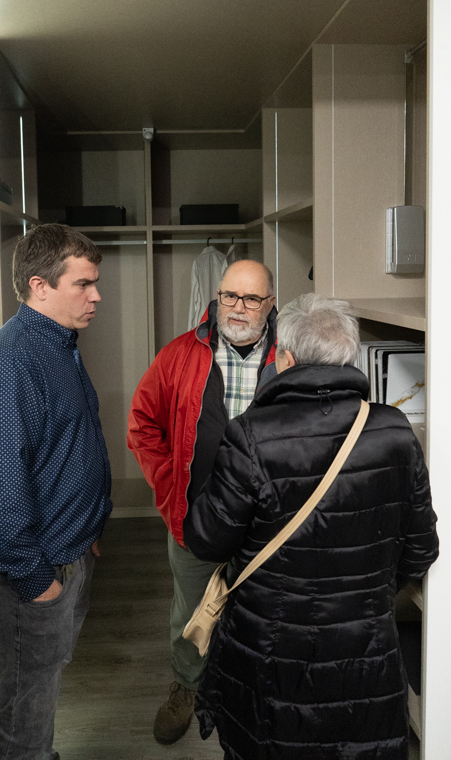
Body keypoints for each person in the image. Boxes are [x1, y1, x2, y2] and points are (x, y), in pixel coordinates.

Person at [184, 293, 439, 760]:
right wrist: (363, 594)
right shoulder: (395, 430)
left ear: (284, 359)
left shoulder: (250, 435)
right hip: (366, 657)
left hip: (269, 655)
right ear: (350, 356)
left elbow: (205, 539)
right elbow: (422, 548)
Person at [0, 224, 112, 760]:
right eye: (83, 284)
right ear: (40, 286)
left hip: (67, 553)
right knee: (25, 714)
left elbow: (62, 450)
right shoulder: (8, 363)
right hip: (33, 573)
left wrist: (86, 528)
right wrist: (39, 582)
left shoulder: (58, 344)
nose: (96, 296)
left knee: (40, 694)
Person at [127, 259, 277, 745]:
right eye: (229, 296)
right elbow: (142, 424)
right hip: (195, 519)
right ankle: (186, 689)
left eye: (251, 298)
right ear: (217, 296)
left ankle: (254, 696)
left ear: (270, 304)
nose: (238, 308)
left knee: (265, 615)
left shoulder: (291, 357)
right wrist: (169, 483)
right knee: (191, 614)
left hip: (268, 525)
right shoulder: (180, 354)